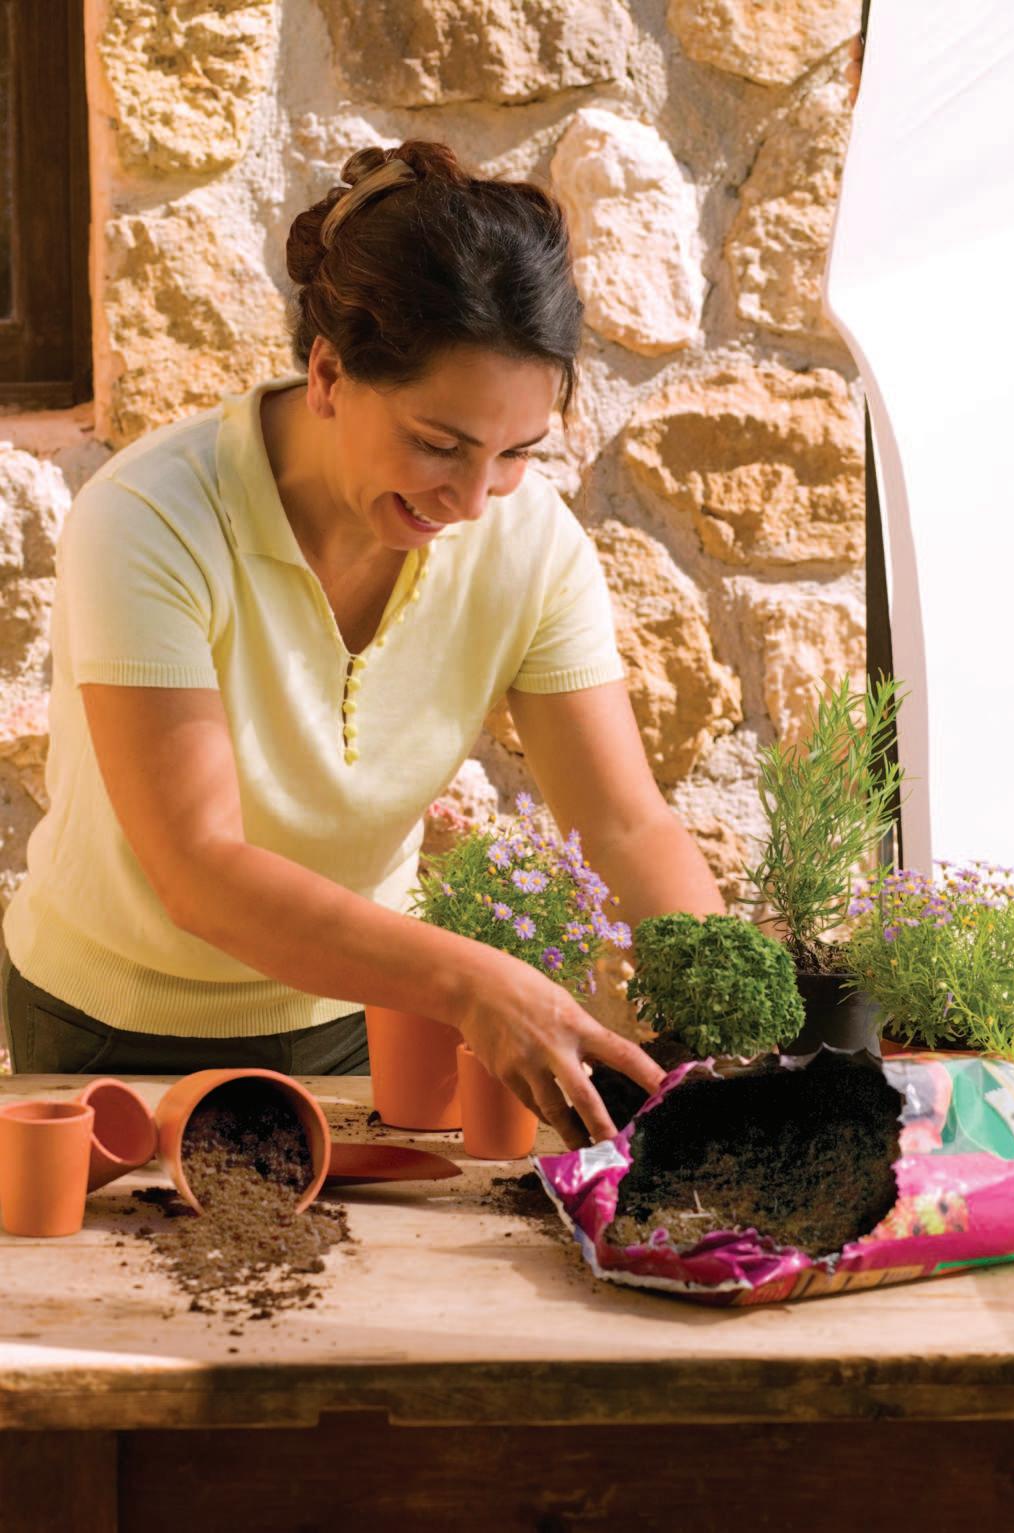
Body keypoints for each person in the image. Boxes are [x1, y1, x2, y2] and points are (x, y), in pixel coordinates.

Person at [0, 141, 725, 1147]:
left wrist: (728, 1024)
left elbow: (623, 825)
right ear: (330, 372)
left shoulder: (531, 543)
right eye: (438, 444)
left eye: (515, 454)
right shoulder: (151, 518)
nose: (473, 500)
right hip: (114, 1032)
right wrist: (475, 983)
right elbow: (198, 868)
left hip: (362, 1019)